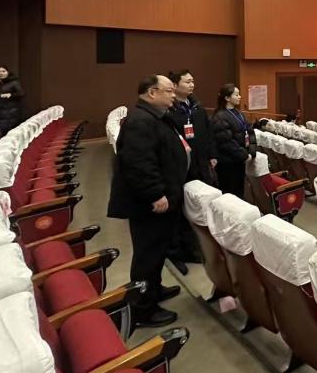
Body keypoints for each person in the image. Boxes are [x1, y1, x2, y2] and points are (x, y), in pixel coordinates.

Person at [107, 75, 188, 327]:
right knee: (147, 255)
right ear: (152, 93)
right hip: (150, 204)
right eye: (169, 91)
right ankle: (143, 309)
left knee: (157, 251)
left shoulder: (155, 117)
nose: (173, 95)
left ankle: (154, 289)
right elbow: (138, 163)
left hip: (160, 199)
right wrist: (155, 193)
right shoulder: (140, 122)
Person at [165, 69, 216, 274]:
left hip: (200, 165)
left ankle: (197, 246)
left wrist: (212, 155)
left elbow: (208, 133)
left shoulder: (197, 107)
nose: (192, 85)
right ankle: (181, 249)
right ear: (175, 85)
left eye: (193, 81)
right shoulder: (170, 111)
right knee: (183, 208)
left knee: (199, 206)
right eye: (187, 81)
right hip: (181, 167)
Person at [209, 83, 251, 197]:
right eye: (236, 95)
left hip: (239, 159)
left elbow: (249, 131)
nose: (239, 97)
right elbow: (226, 142)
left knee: (239, 191)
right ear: (227, 98)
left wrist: (250, 151)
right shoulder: (220, 116)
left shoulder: (239, 113)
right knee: (230, 193)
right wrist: (244, 154)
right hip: (228, 162)